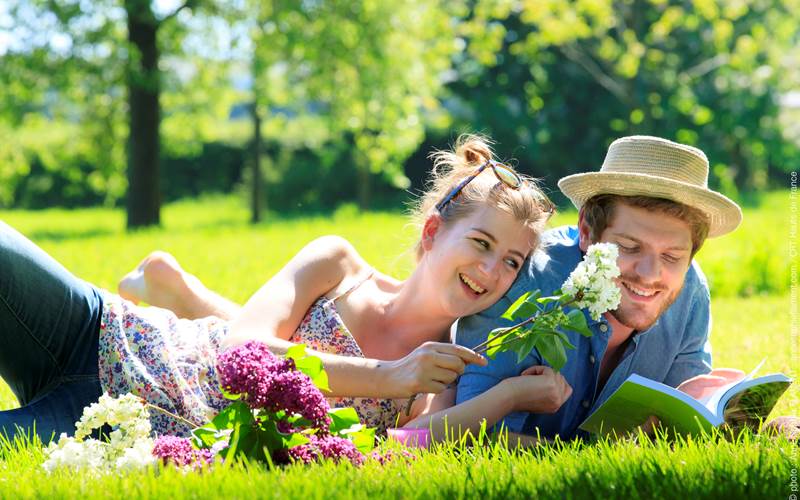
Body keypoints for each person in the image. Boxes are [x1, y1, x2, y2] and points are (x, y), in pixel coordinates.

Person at [0, 135, 564, 443]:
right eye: (483, 244)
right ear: (434, 232)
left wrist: (510, 396)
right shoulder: (339, 263)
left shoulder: (445, 373)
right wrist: (389, 376)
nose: (492, 272)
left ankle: (179, 287)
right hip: (100, 330)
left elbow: (407, 449)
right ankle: (176, 292)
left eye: (513, 261)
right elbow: (240, 348)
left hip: (113, 422)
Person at [455, 135, 746, 442]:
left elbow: (683, 421)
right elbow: (474, 434)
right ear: (586, 233)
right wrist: (587, 458)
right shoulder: (526, 283)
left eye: (672, 256)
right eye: (629, 247)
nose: (650, 275)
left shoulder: (690, 292)